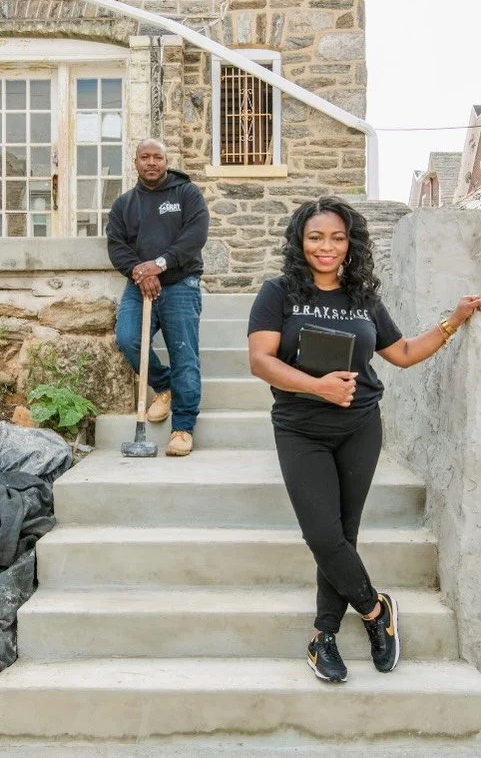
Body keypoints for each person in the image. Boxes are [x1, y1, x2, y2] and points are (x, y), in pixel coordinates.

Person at [247, 196, 481, 684]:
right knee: (322, 535)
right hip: (300, 427)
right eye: (316, 237)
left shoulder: (363, 299)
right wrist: (318, 387)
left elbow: (404, 352)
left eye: (337, 237)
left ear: (350, 243)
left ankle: (324, 637)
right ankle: (376, 611)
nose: (326, 246)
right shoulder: (279, 293)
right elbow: (261, 361)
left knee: (343, 535)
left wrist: (454, 321)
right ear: (299, 242)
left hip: (359, 427)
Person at [106, 139, 209, 457]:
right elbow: (117, 247)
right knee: (128, 339)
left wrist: (160, 264)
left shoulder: (186, 194)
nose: (151, 162)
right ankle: (164, 386)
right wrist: (141, 272)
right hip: (140, 287)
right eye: (145, 157)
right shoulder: (124, 204)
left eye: (158, 157)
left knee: (184, 356)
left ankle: (183, 429)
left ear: (166, 161)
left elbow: (194, 236)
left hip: (181, 285)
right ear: (135, 162)